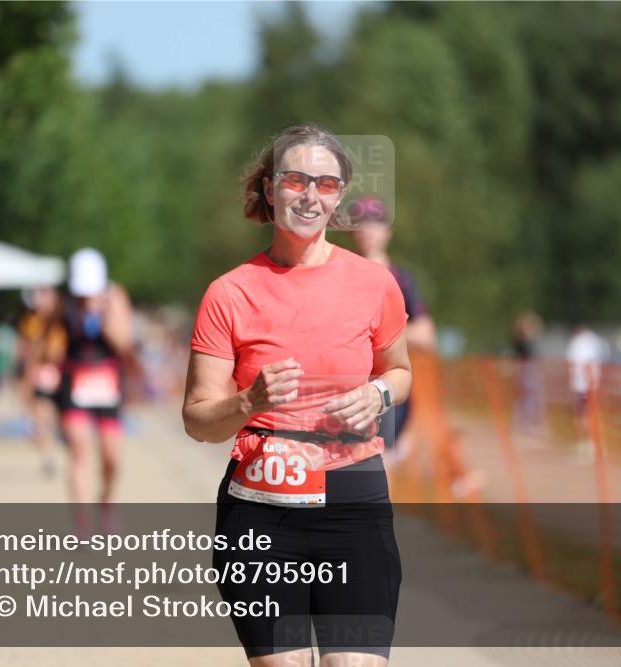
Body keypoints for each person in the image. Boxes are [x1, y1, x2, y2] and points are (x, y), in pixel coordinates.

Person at [183, 125, 411, 666]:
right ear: (268, 188)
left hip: (353, 507)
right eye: (295, 179)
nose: (310, 195)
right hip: (262, 515)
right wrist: (248, 402)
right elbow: (197, 420)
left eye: (327, 184)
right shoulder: (229, 292)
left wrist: (378, 395)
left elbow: (401, 371)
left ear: (339, 199)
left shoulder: (374, 283)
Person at [349, 196, 434, 455]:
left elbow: (426, 336)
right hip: (348, 389)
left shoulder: (401, 279)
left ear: (388, 232)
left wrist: (377, 328)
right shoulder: (344, 275)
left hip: (388, 393)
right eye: (361, 223)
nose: (367, 230)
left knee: (376, 471)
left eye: (375, 223)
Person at [59, 249, 134, 531]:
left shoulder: (114, 297)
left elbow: (123, 344)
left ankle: (106, 500)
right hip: (74, 382)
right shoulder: (66, 302)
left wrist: (101, 315)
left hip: (108, 384)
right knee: (79, 451)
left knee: (111, 458)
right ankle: (81, 523)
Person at [18, 286, 67, 477]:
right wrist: (27, 381)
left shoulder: (62, 320)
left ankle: (53, 451)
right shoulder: (33, 322)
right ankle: (49, 457)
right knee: (41, 420)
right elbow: (30, 352)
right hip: (42, 374)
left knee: (54, 420)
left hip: (58, 373)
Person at [566, 322, 606, 464]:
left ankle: (586, 444)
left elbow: (571, 363)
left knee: (581, 416)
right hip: (593, 383)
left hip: (580, 384)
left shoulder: (576, 342)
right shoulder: (595, 340)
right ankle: (593, 444)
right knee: (591, 414)